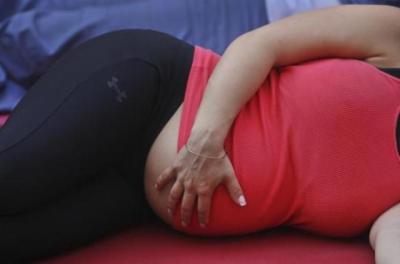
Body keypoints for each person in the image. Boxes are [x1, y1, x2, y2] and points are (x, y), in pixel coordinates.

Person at [0, 4, 398, 264]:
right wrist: (204, 144)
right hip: (154, 91)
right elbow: (261, 44)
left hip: (135, 192)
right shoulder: (393, 35)